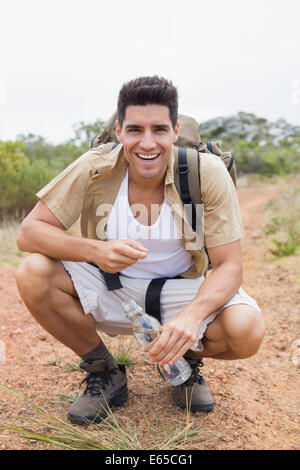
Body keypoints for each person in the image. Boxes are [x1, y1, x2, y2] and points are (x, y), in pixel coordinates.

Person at [15, 76, 265, 425]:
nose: (147, 143)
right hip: (112, 286)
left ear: (175, 131)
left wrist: (192, 317)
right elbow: (28, 233)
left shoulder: (204, 172)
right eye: (135, 130)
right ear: (119, 131)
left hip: (181, 291)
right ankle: (106, 372)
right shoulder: (95, 167)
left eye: (159, 130)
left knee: (246, 329)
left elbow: (228, 266)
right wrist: (94, 252)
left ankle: (183, 363)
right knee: (32, 271)